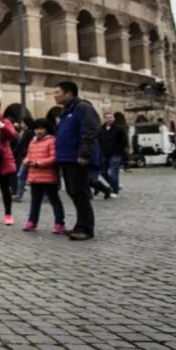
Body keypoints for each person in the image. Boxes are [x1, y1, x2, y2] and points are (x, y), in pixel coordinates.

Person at [53, 81, 100, 241]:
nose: (54, 95)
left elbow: (90, 130)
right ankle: (80, 225)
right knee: (73, 192)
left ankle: (87, 228)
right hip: (66, 158)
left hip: (77, 158)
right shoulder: (66, 111)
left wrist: (85, 154)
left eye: (57, 92)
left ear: (69, 93)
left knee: (81, 193)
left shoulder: (82, 108)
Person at [21, 119, 65, 234]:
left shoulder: (51, 141)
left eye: (41, 128)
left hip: (48, 177)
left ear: (47, 129)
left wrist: (39, 163)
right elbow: (28, 155)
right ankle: (32, 221)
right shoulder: (33, 142)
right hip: (34, 176)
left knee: (54, 200)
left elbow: (53, 157)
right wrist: (26, 161)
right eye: (36, 129)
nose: (38, 131)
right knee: (35, 201)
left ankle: (59, 223)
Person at [97, 112, 127, 196]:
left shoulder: (119, 129)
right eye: (107, 117)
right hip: (104, 154)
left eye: (111, 117)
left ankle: (114, 191)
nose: (109, 119)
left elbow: (124, 141)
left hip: (115, 154)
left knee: (114, 173)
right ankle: (115, 185)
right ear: (104, 119)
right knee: (102, 172)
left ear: (113, 119)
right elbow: (98, 141)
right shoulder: (101, 129)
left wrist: (118, 150)